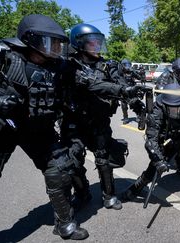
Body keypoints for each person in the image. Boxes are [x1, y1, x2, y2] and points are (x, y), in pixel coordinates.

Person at [0, 14, 88, 240]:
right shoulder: (4, 57)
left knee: (59, 171)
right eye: (51, 42)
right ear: (32, 40)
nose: (57, 47)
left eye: (59, 43)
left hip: (38, 129)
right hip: (4, 125)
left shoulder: (60, 66)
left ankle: (64, 223)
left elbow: (91, 80)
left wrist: (120, 90)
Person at [62, 23, 142, 210]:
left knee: (104, 159)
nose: (97, 46)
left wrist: (135, 102)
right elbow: (93, 85)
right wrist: (121, 89)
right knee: (72, 162)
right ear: (79, 44)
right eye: (92, 43)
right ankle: (82, 194)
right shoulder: (69, 66)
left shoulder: (108, 65)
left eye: (99, 43)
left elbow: (122, 85)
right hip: (74, 122)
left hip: (99, 121)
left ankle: (109, 195)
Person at [122, 83, 180, 201]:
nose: (176, 111)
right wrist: (159, 161)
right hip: (166, 140)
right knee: (154, 169)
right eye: (172, 108)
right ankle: (137, 187)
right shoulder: (156, 113)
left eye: (179, 107)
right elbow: (151, 141)